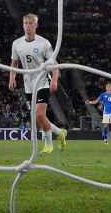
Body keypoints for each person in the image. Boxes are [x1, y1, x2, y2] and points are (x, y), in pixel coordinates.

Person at [8, 14, 67, 154]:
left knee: (39, 115)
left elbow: (55, 64)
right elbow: (14, 63)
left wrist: (54, 80)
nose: (28, 25)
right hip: (28, 85)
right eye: (26, 23)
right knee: (37, 119)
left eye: (31, 23)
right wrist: (12, 78)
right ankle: (60, 133)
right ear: (23, 25)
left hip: (42, 82)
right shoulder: (17, 44)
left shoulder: (43, 43)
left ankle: (48, 144)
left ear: (36, 25)